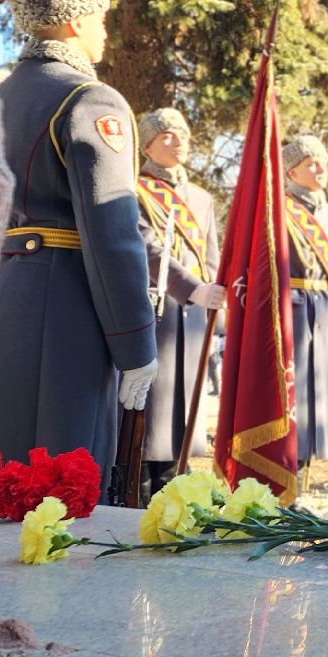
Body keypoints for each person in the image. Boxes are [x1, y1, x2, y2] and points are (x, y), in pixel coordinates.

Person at [0, 0, 157, 485]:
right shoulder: (89, 100)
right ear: (74, 22)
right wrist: (136, 345)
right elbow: (113, 234)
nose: (104, 31)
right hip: (67, 305)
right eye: (100, 18)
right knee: (61, 485)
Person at [134, 108, 225, 493]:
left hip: (193, 319)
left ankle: (174, 493)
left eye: (183, 134)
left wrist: (216, 318)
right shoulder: (133, 189)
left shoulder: (201, 198)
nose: (178, 140)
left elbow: (211, 257)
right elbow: (147, 249)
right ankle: (137, 492)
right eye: (167, 135)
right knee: (150, 415)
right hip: (153, 313)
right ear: (149, 145)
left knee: (182, 417)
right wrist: (191, 288)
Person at [282, 133, 328, 466]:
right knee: (289, 399)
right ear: (292, 172)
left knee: (315, 402)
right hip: (290, 310)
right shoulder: (277, 211)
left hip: (322, 313)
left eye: (322, 160)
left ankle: (303, 477)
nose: (320, 167)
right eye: (310, 163)